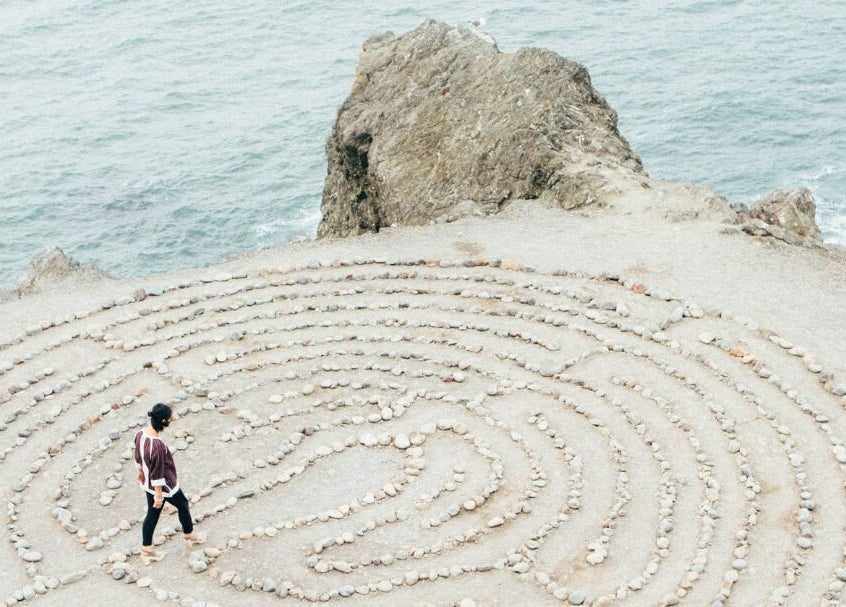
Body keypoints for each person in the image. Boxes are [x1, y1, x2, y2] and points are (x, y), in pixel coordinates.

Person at [134, 402, 205, 563]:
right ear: (164, 421)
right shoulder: (157, 445)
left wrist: (139, 470)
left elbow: (137, 455)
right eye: (170, 418)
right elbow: (158, 472)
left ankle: (147, 549)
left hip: (148, 483)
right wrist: (159, 496)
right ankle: (189, 535)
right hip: (164, 486)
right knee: (182, 504)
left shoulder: (140, 434)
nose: (172, 419)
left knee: (153, 514)